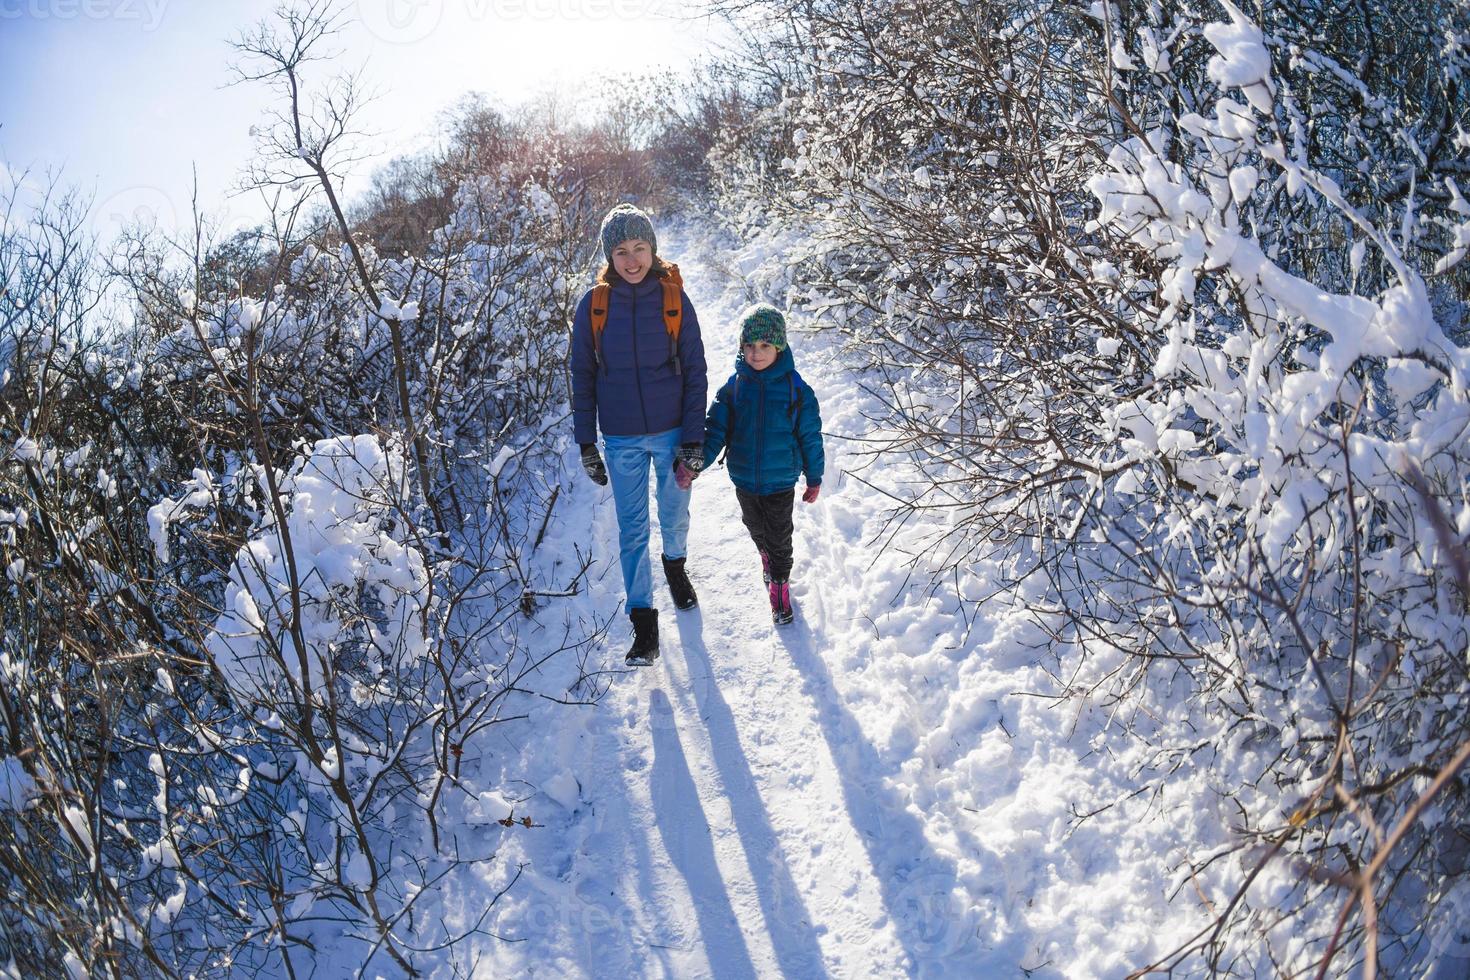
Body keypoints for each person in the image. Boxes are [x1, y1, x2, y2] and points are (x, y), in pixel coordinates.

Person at [570, 203, 708, 666]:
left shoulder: (673, 299)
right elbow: (581, 374)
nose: (632, 260)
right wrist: (586, 442)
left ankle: (676, 567)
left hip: (672, 433)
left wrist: (693, 437)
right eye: (621, 250)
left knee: (673, 515)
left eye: (640, 248)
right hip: (622, 437)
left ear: (653, 249)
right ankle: (644, 626)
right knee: (631, 531)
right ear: (609, 256)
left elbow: (695, 370)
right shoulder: (593, 305)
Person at [691, 303, 824, 625]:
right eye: (749, 345)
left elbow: (810, 436)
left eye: (765, 345)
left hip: (780, 481)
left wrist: (814, 477)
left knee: (780, 537)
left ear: (779, 347)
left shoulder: (797, 390)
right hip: (744, 478)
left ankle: (779, 590)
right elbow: (715, 431)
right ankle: (765, 556)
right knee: (754, 527)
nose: (756, 353)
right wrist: (697, 463)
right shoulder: (734, 388)